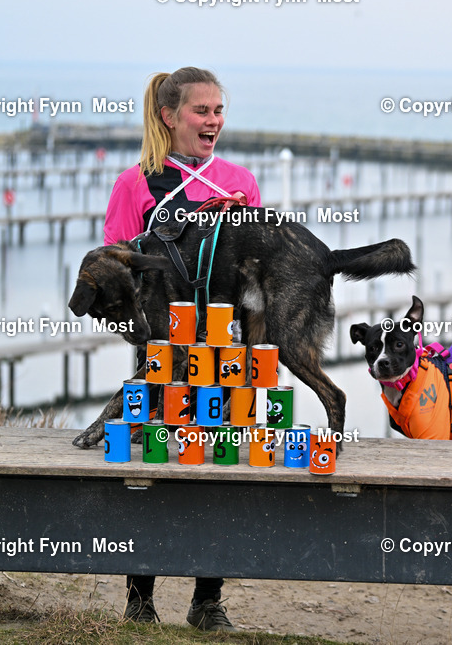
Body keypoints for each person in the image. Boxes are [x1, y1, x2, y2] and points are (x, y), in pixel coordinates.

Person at [104, 67, 261, 632]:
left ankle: (207, 600)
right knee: (150, 468)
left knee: (218, 470)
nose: (214, 120)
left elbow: (256, 276)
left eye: (219, 110)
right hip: (161, 351)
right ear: (171, 116)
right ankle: (139, 599)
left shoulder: (241, 180)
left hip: (227, 350)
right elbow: (113, 275)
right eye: (203, 110)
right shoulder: (135, 185)